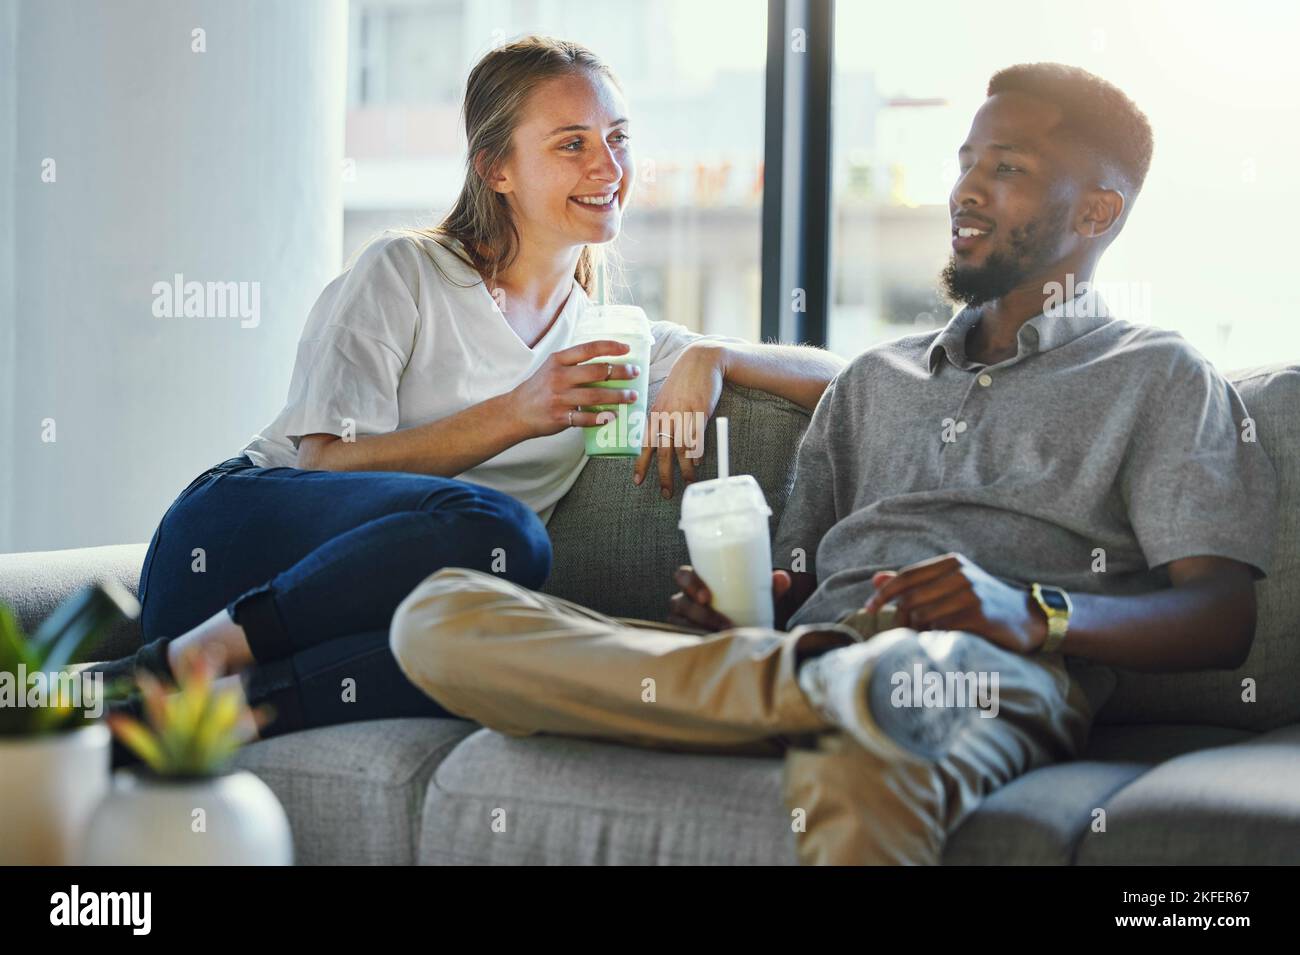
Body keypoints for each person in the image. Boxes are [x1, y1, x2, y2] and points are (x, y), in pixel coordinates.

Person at [387, 63, 1278, 864]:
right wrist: (747, 607)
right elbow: (797, 579)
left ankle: (842, 691)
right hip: (821, 656)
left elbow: (1218, 614)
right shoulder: (876, 379)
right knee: (438, 616)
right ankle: (831, 688)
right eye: (966, 161)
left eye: (1007, 168)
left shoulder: (1158, 375)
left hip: (978, 676)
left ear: (1098, 212)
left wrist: (1031, 610)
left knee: (874, 756)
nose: (967, 188)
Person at [87, 35, 843, 743]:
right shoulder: (406, 272)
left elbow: (844, 381)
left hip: (353, 613)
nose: (608, 166)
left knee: (480, 663)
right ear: (496, 168)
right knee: (505, 536)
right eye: (572, 143)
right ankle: (182, 661)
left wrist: (714, 353)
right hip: (236, 549)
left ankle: (174, 718)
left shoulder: (610, 335)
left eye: (617, 138)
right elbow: (320, 464)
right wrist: (517, 413)